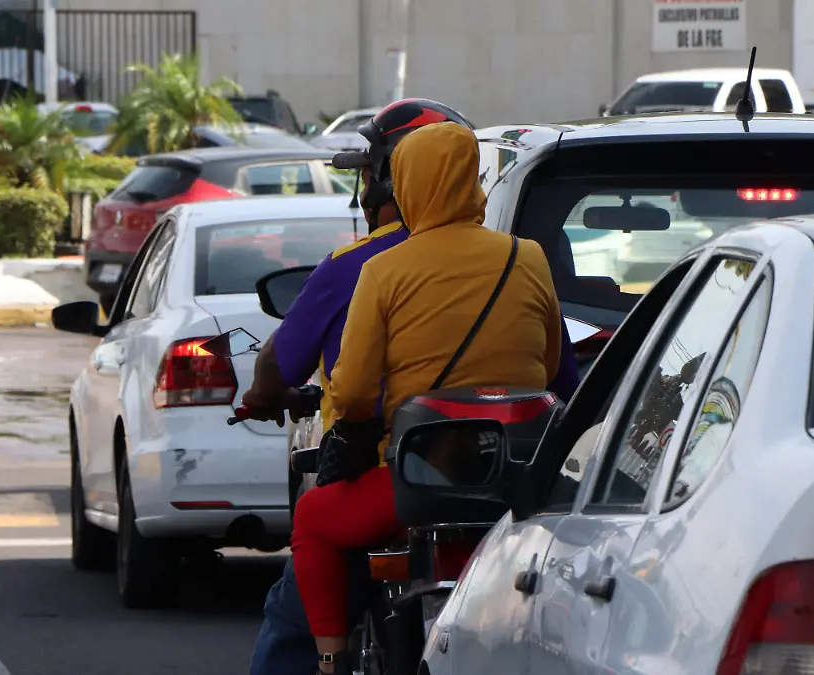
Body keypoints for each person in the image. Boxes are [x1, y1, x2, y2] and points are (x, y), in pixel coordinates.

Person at [290, 121, 581, 674]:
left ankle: (330, 660)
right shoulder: (529, 258)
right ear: (474, 181)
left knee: (313, 519)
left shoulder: (382, 270)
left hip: (417, 482)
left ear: (404, 185)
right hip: (514, 482)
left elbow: (351, 393)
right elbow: (554, 374)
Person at [242, 99, 477, 675]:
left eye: (368, 173)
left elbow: (300, 370)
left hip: (389, 478)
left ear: (395, 177)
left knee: (292, 620)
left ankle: (324, 660)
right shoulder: (517, 258)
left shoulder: (362, 265)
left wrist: (264, 396)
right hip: (494, 481)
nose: (363, 189)